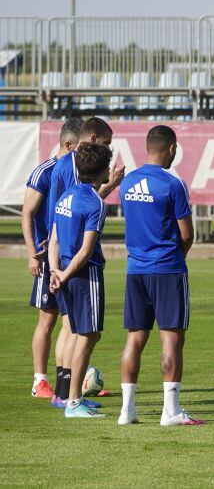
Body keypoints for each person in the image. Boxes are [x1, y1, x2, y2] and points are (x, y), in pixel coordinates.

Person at [117, 125, 202, 426]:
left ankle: (127, 411)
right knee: (171, 343)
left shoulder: (127, 183)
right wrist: (177, 255)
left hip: (135, 270)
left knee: (134, 340)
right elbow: (187, 233)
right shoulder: (172, 184)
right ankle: (171, 411)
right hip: (167, 269)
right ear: (170, 148)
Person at [46, 116, 125, 409]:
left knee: (72, 329)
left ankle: (63, 394)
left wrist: (55, 271)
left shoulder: (65, 193)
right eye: (106, 146)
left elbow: (55, 234)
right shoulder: (92, 199)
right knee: (86, 333)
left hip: (61, 267)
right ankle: (73, 398)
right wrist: (64, 274)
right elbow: (86, 247)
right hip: (80, 271)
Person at [22, 117, 82, 399]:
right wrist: (32, 252)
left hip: (68, 255)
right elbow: (27, 213)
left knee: (71, 321)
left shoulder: (75, 171)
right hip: (48, 255)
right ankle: (39, 381)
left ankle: (70, 381)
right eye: (80, 146)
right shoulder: (45, 172)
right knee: (48, 320)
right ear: (68, 144)